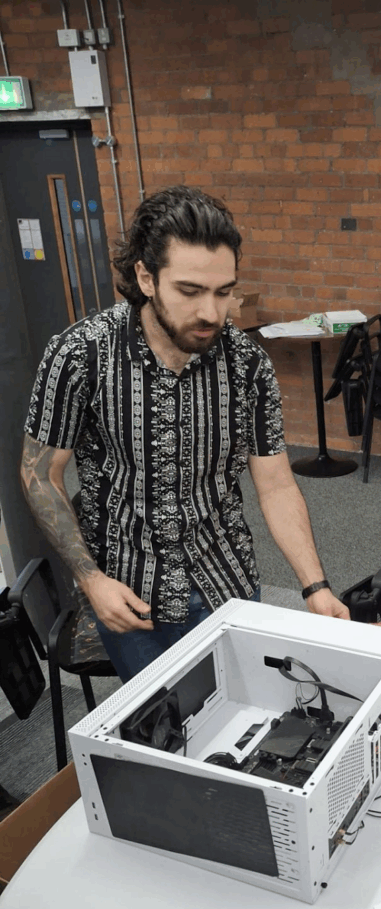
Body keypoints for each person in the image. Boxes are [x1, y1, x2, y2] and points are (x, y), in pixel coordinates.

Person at [21, 185, 348, 683]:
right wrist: (90, 580)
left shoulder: (248, 364)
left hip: (227, 580)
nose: (212, 313)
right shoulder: (80, 354)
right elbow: (40, 475)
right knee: (164, 721)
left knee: (242, 710)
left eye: (224, 292)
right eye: (190, 291)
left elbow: (277, 484)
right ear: (145, 277)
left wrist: (314, 586)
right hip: (130, 591)